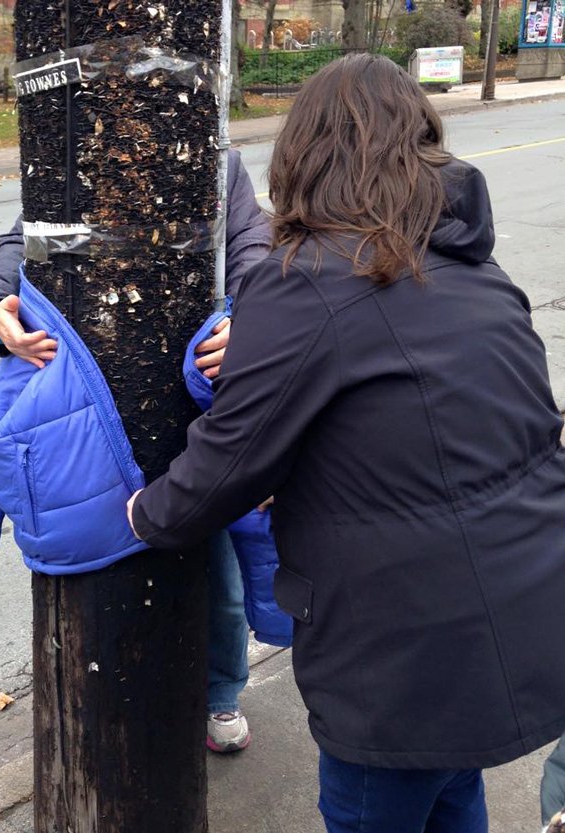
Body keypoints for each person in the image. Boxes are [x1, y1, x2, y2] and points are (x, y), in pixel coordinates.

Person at [126, 53, 565, 832]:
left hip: (401, 656)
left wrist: (139, 514)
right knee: (453, 789)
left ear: (303, 154)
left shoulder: (305, 281)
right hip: (522, 611)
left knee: (380, 808)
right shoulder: (475, 269)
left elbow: (226, 460)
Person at [0, 149, 270, 753]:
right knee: (99, 554)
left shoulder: (220, 162)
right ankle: (108, 705)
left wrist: (253, 321)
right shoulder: (64, 144)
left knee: (220, 568)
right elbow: (20, 239)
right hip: (88, 398)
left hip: (191, 392)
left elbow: (251, 248)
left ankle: (219, 694)